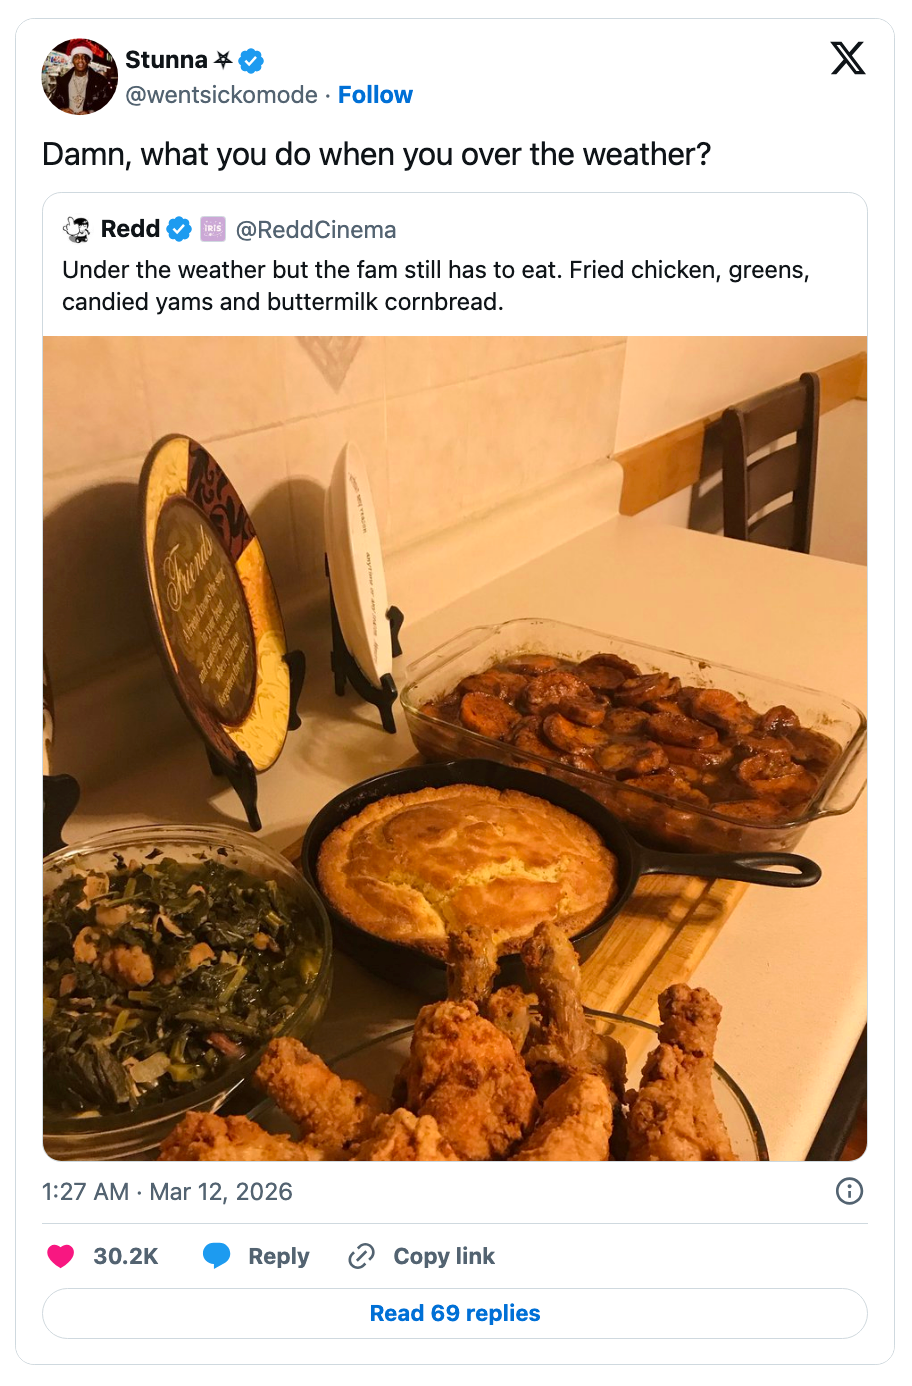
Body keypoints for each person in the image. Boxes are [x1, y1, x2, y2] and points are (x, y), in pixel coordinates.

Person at [50, 46, 114, 115]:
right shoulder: (62, 81)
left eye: (84, 57)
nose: (80, 60)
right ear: (72, 60)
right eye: (76, 57)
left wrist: (90, 112)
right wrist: (61, 110)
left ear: (88, 60)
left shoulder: (101, 82)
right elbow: (54, 102)